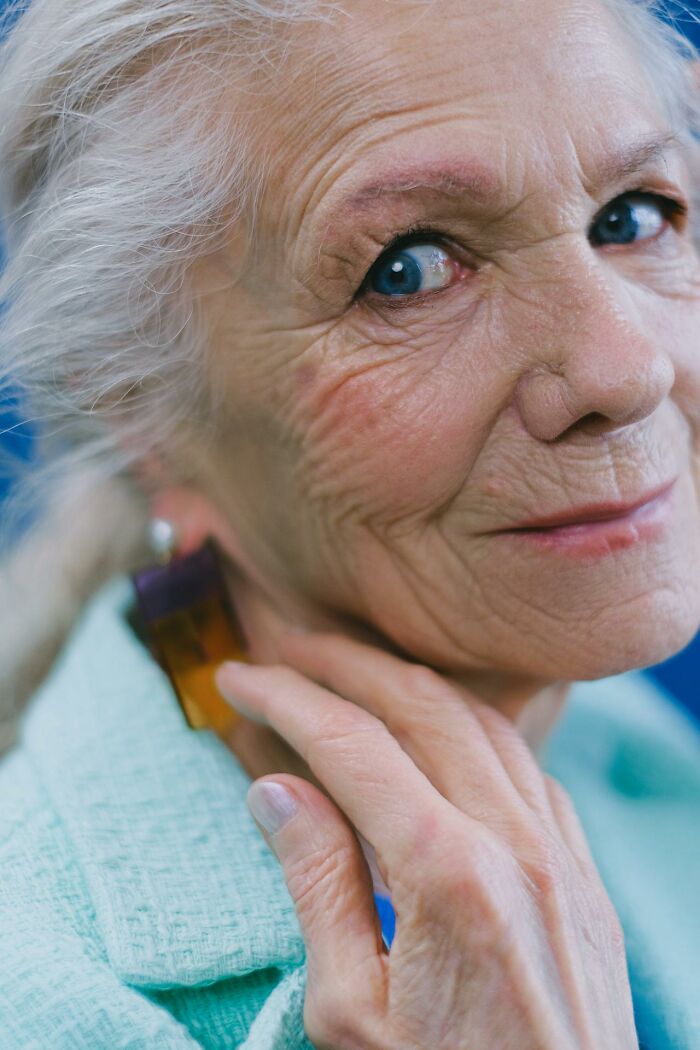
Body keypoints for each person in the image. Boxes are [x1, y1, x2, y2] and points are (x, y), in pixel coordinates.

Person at [0, 0, 699, 1046]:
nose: (624, 368)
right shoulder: (48, 990)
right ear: (145, 412)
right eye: (408, 269)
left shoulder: (630, 746)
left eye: (631, 216)